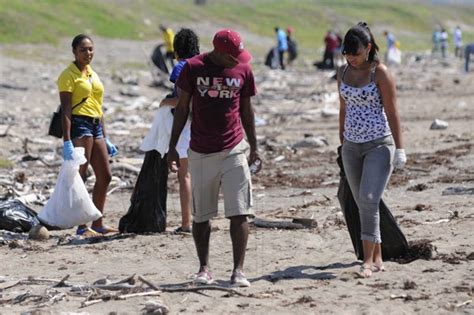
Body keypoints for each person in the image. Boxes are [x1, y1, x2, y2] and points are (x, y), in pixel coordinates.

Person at [167, 29, 261, 287]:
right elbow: (182, 108)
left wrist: (254, 147)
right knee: (201, 215)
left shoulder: (243, 70)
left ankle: (238, 271)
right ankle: (204, 268)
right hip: (200, 150)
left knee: (240, 211)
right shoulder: (193, 68)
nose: (238, 60)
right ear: (218, 52)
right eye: (233, 56)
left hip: (234, 148)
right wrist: (172, 146)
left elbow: (247, 112)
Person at [337, 22, 407, 278]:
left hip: (379, 145)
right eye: (347, 54)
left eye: (355, 53)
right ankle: (378, 257)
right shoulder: (343, 73)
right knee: (362, 203)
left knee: (368, 198)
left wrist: (400, 149)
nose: (351, 59)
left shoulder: (381, 73)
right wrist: (342, 143)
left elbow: (392, 110)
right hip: (351, 147)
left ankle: (367, 261)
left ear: (368, 48)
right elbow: (343, 110)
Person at [58, 34, 118, 237]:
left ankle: (98, 222)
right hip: (79, 125)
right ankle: (83, 226)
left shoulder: (92, 73)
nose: (88, 53)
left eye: (91, 49)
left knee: (105, 176)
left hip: (96, 126)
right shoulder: (68, 75)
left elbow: (98, 108)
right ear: (74, 51)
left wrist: (106, 136)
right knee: (81, 176)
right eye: (83, 49)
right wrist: (66, 141)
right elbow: (66, 109)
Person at [159, 28, 200, 234]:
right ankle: (203, 218)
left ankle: (186, 223)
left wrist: (164, 102)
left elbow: (183, 101)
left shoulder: (181, 67)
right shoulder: (203, 64)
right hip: (205, 123)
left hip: (186, 125)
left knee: (184, 175)